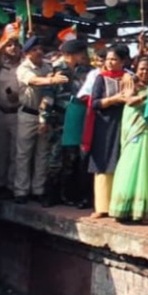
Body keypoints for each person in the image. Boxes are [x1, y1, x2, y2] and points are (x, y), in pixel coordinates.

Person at [13, 37, 69, 204]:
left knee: (42, 153)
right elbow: (33, 81)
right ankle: (21, 191)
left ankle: (38, 190)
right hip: (28, 114)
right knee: (23, 154)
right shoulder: (23, 68)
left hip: (44, 114)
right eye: (34, 50)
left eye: (40, 49)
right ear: (27, 53)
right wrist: (51, 80)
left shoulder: (47, 67)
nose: (39, 52)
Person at [109, 56, 148, 222]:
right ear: (136, 70)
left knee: (147, 168)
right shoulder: (132, 84)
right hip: (134, 130)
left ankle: (142, 210)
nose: (144, 72)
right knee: (129, 165)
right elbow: (130, 101)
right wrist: (147, 96)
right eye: (141, 69)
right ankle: (122, 209)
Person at [87, 45, 131, 218]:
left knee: (121, 160)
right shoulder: (101, 78)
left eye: (114, 59)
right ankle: (102, 206)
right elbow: (95, 103)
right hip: (104, 123)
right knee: (103, 160)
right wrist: (113, 99)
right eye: (108, 59)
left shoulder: (129, 77)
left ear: (123, 61)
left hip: (123, 122)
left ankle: (118, 205)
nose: (110, 63)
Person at [52, 39, 94, 208]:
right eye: (81, 52)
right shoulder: (56, 69)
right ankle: (51, 194)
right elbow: (48, 95)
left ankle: (69, 194)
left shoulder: (84, 71)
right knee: (55, 159)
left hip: (77, 120)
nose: (84, 55)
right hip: (59, 119)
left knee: (73, 159)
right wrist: (44, 118)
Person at [0, 37, 23, 198]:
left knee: (14, 152)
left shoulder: (23, 67)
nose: (12, 48)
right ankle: (0, 183)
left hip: (16, 112)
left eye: (16, 45)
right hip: (1, 113)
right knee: (0, 151)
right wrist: (5, 41)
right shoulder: (1, 65)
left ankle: (11, 185)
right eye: (9, 46)